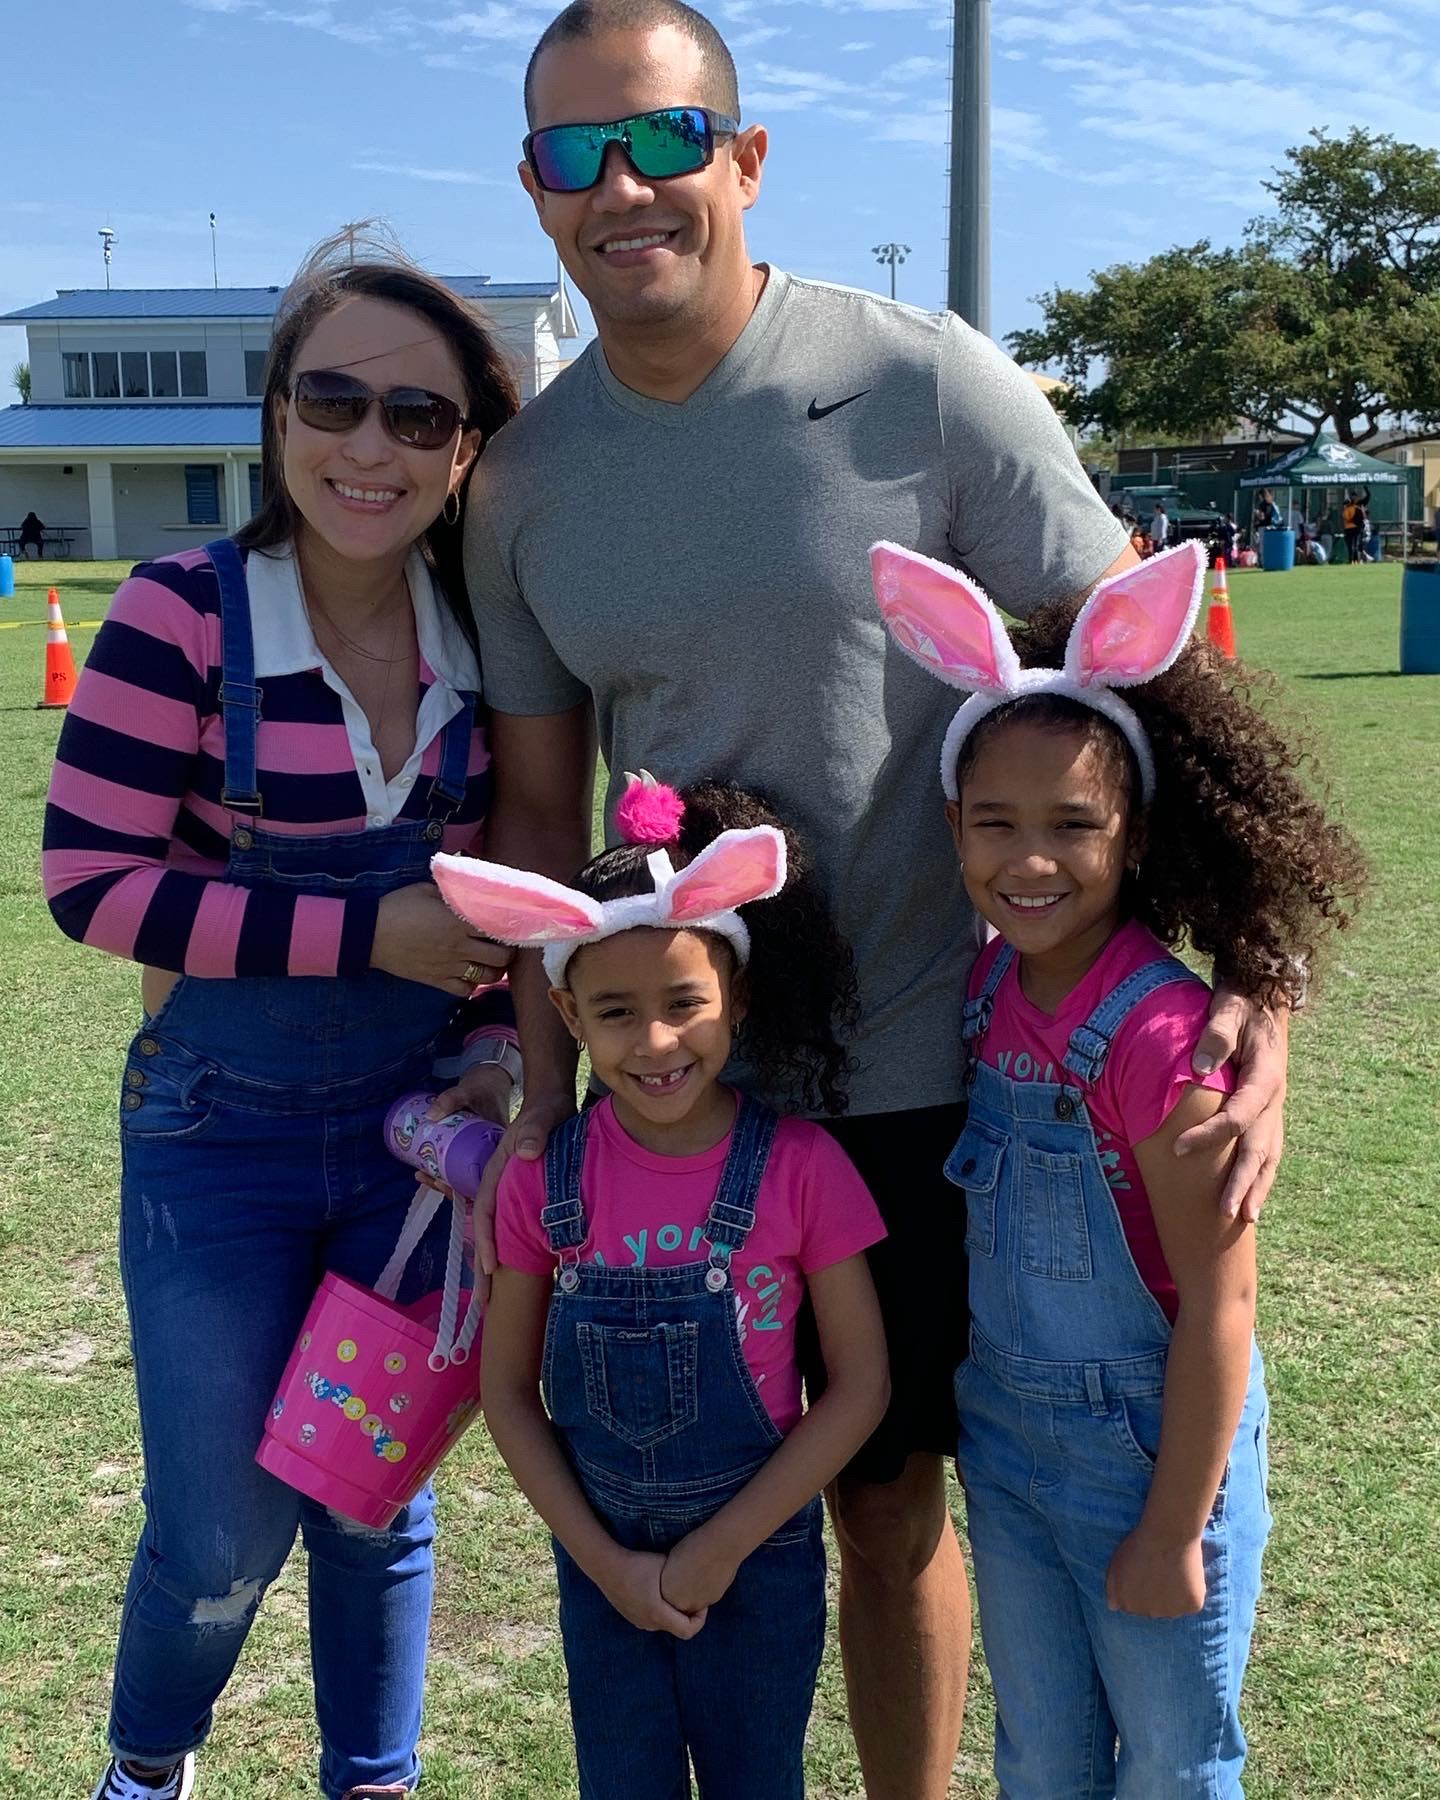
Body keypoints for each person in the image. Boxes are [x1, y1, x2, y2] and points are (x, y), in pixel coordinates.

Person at [464, 5, 1291, 1791]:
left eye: (666, 141)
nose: (626, 187)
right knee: (760, 1504)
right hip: (700, 1091)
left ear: (745, 160)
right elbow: (541, 825)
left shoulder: (927, 383)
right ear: (534, 193)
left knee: (910, 1502)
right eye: (574, 154)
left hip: (968, 1079)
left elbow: (1160, 703)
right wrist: (547, 1102)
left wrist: (1265, 994)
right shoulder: (524, 483)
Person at [43, 228, 523, 1800]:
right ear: (274, 418)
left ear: (468, 448)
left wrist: (507, 1046)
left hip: (418, 1139)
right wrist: (367, 926)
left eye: (419, 418)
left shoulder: (491, 637)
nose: (367, 447)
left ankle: (369, 1777)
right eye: (332, 402)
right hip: (216, 1138)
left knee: (373, 1495)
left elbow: (521, 890)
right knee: (216, 1529)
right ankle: (147, 1769)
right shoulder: (181, 614)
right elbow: (91, 885)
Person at [870, 539, 1365, 1795]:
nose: (1030, 860)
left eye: (1073, 826)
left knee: (1172, 1768)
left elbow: (1224, 1301)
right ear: (953, 827)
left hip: (1148, 1465)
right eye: (997, 824)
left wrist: (1173, 1527)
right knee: (1041, 1759)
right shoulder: (986, 988)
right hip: (1009, 1448)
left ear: (1135, 836)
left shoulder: (1159, 1039)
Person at [445, 776, 890, 1798]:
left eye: (685, 1004)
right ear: (566, 1011)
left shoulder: (802, 1169)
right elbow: (506, 1392)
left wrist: (722, 1548)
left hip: (759, 1560)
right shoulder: (541, 1183)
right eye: (615, 1012)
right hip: (600, 1563)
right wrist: (605, 1563)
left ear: (734, 995)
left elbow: (859, 1388)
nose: (654, 1042)